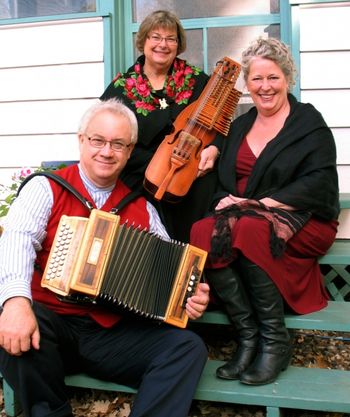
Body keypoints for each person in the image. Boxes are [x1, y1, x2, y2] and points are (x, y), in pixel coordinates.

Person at [0, 98, 210, 417]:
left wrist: (189, 295)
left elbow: (171, 273)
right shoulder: (46, 188)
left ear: (129, 151)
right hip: (53, 329)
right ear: (82, 140)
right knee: (16, 320)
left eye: (118, 144)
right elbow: (18, 239)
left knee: (188, 347)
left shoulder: (142, 208)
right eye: (97, 140)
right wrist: (15, 302)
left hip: (110, 337)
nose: (106, 151)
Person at [190, 37, 339, 386]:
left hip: (302, 219)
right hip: (246, 219)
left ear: (287, 78)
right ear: (247, 84)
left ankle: (275, 340)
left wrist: (257, 205)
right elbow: (226, 169)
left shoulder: (308, 125)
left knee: (249, 229)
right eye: (256, 79)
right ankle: (249, 336)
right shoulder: (240, 126)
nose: (265, 87)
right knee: (201, 231)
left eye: (273, 77)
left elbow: (318, 184)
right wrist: (212, 150)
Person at [100, 10, 222, 242]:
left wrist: (214, 149)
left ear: (178, 44)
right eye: (155, 37)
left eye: (170, 39)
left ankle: (197, 269)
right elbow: (107, 133)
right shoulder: (122, 87)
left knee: (205, 188)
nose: (162, 45)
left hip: (189, 172)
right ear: (144, 41)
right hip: (140, 174)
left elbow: (221, 127)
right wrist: (159, 164)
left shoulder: (198, 80)